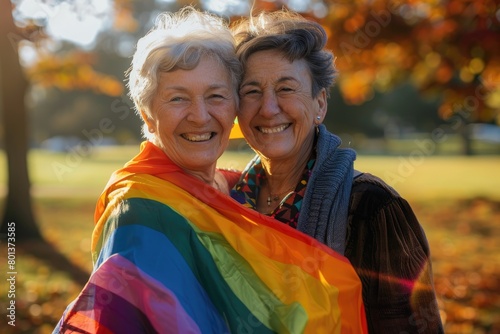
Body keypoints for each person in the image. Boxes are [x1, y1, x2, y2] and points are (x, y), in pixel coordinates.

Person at [53, 7, 367, 333]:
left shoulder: (235, 189)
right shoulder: (140, 208)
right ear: (147, 116)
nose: (200, 116)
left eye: (216, 95)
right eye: (178, 99)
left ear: (233, 107)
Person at [230, 10, 444, 333]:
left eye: (286, 89)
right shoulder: (227, 202)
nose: (269, 108)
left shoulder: (374, 210)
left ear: (320, 105)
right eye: (251, 91)